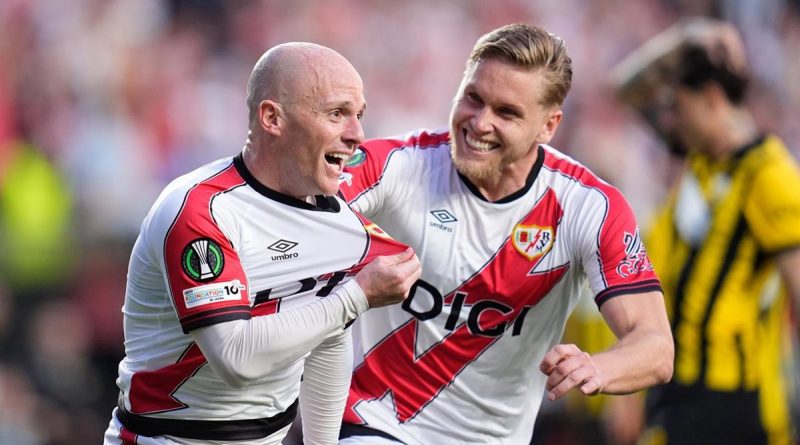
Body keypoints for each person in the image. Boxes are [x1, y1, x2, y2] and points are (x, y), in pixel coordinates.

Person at [336, 23, 674, 444]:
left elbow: (656, 346)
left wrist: (598, 367)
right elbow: (295, 209)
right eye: (473, 98)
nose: (480, 123)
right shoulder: (398, 166)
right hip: (375, 422)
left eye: (506, 112)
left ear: (548, 126)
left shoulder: (589, 208)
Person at [102, 42, 422, 445]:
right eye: (336, 113)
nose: (357, 134)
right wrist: (357, 296)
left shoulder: (339, 221)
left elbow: (330, 337)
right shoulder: (201, 211)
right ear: (272, 118)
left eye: (359, 115)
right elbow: (235, 359)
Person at [610, 17, 800, 445]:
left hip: (737, 404)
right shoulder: (700, 160)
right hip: (679, 391)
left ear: (712, 98)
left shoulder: (769, 174)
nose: (671, 120)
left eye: (678, 106)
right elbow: (625, 89)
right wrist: (687, 39)